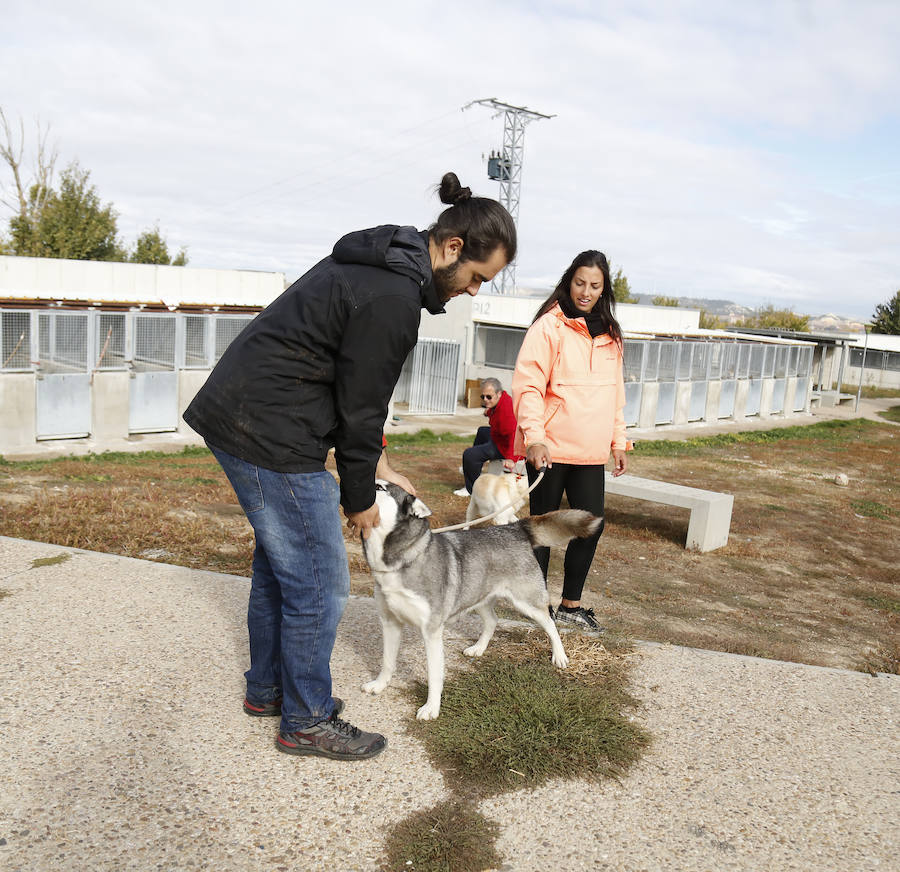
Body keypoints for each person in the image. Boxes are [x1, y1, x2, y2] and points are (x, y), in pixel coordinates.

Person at [183, 172, 515, 760]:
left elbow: (350, 390)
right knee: (319, 581)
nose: (472, 292)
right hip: (270, 431)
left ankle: (269, 689)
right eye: (476, 279)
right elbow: (360, 409)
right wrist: (362, 497)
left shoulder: (382, 266)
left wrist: (379, 462)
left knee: (281, 568)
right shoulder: (392, 298)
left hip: (248, 415)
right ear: (453, 248)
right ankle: (305, 719)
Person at [511, 250, 628, 632]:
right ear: (569, 281)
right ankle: (535, 605)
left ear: (603, 288)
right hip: (550, 446)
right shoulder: (549, 327)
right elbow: (528, 385)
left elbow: (616, 394)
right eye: (580, 283)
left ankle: (570, 606)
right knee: (542, 528)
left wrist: (618, 441)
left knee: (591, 524)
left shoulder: (611, 335)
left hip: (591, 451)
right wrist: (534, 437)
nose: (586, 292)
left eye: (595, 285)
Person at [454, 377, 519, 496]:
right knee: (482, 431)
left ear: (499, 393)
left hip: (505, 446)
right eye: (482, 397)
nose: (485, 400)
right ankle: (472, 467)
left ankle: (471, 490)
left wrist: (511, 458)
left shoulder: (507, 409)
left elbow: (513, 435)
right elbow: (495, 412)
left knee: (470, 454)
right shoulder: (500, 400)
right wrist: (488, 412)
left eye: (489, 397)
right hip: (498, 437)